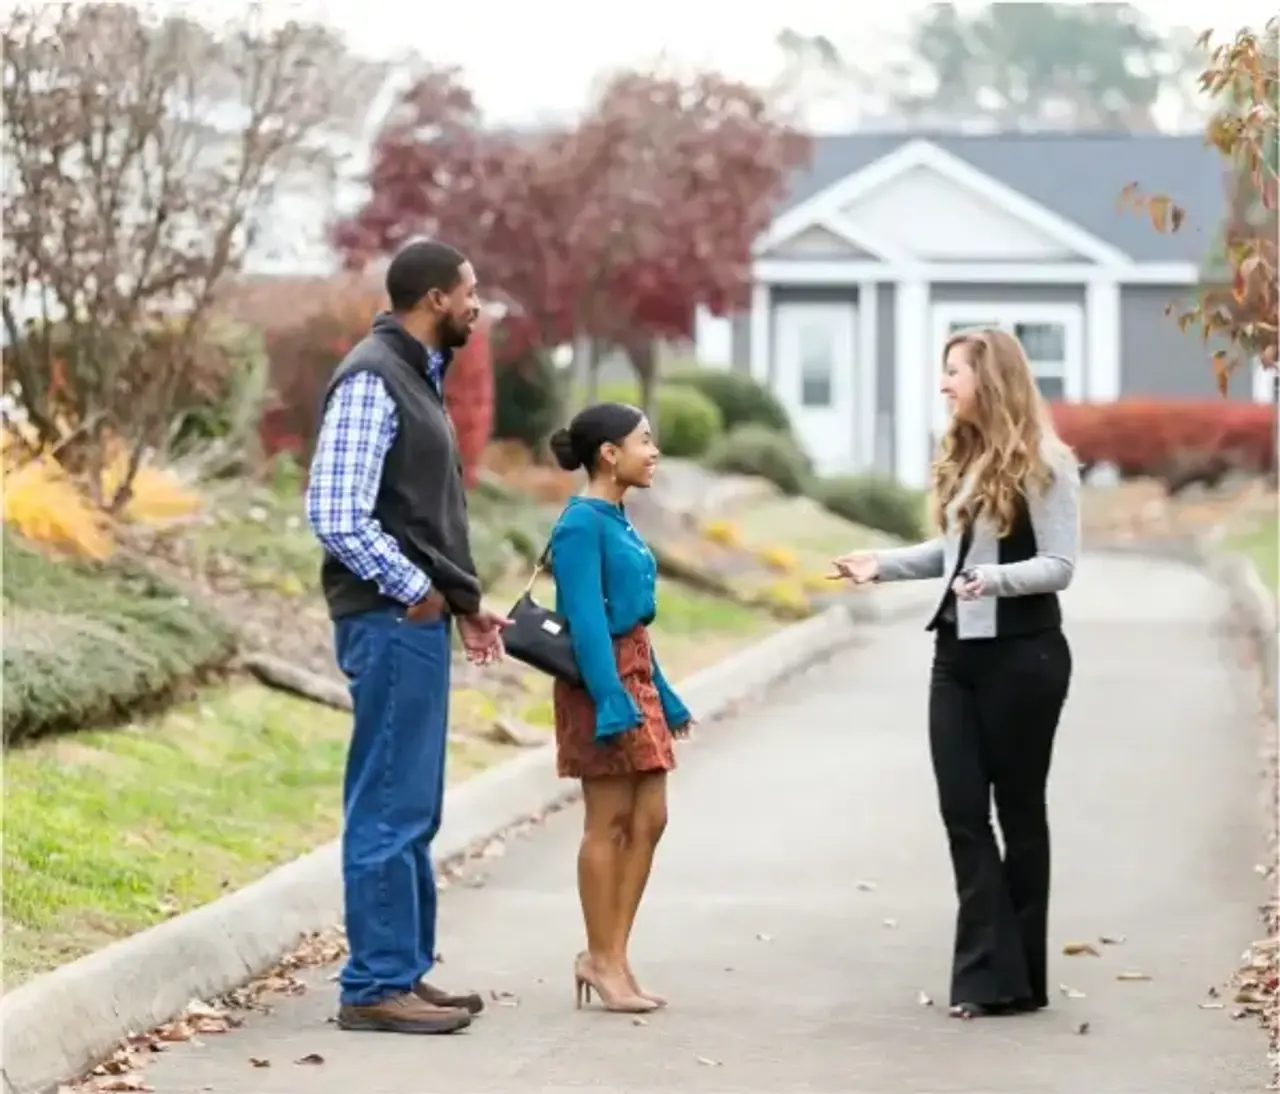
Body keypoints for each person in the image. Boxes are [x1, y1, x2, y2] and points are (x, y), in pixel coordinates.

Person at [832, 327, 1079, 1021]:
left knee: (1020, 813)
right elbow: (952, 552)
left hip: (1025, 658)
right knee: (963, 811)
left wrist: (992, 580)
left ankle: (1020, 977)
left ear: (988, 379)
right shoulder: (967, 458)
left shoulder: (1047, 464)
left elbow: (1060, 565)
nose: (943, 385)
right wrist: (882, 563)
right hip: (957, 658)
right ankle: (985, 974)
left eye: (954, 373)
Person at [305, 239, 509, 1036]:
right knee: (390, 801)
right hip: (388, 621)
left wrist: (461, 600)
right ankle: (374, 985)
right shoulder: (372, 377)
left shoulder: (415, 377)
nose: (476, 304)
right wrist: (415, 588)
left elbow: (414, 516)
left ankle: (403, 971)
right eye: (468, 291)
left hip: (415, 621)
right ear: (431, 298)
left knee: (412, 803)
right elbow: (335, 510)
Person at [545, 402, 693, 1015]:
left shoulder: (618, 516)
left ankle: (612, 954)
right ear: (609, 453)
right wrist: (610, 698)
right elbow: (584, 620)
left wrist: (663, 690)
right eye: (644, 442)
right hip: (600, 679)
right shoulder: (581, 523)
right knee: (607, 821)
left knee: (651, 818)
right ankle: (602, 960)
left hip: (635, 671)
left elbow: (632, 618)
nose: (654, 452)